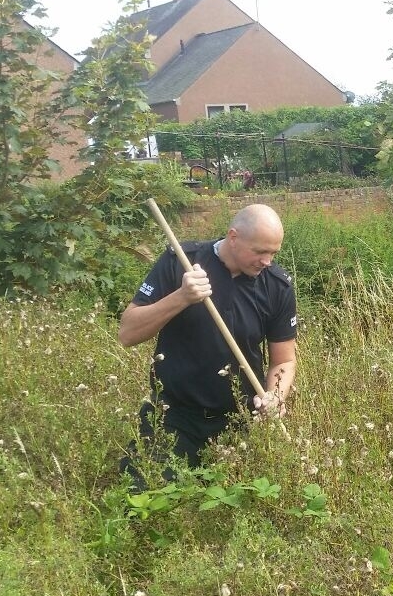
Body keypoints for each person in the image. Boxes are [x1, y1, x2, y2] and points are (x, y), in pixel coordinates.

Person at [118, 204, 297, 485]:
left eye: (273, 253)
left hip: (239, 422)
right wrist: (182, 297)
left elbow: (283, 360)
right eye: (260, 251)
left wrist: (276, 396)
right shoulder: (181, 261)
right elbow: (127, 333)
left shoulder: (277, 286)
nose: (267, 261)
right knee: (141, 503)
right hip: (172, 416)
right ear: (233, 237)